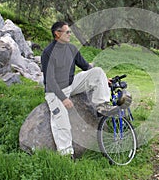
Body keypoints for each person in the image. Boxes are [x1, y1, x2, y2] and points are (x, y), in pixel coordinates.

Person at [41, 21, 118, 158]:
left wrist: (103, 79)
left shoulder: (71, 49)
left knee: (97, 71)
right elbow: (50, 80)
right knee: (62, 121)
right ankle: (66, 155)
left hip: (71, 85)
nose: (70, 34)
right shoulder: (48, 53)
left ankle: (101, 106)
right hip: (54, 91)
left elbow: (85, 66)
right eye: (67, 32)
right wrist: (63, 98)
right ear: (57, 34)